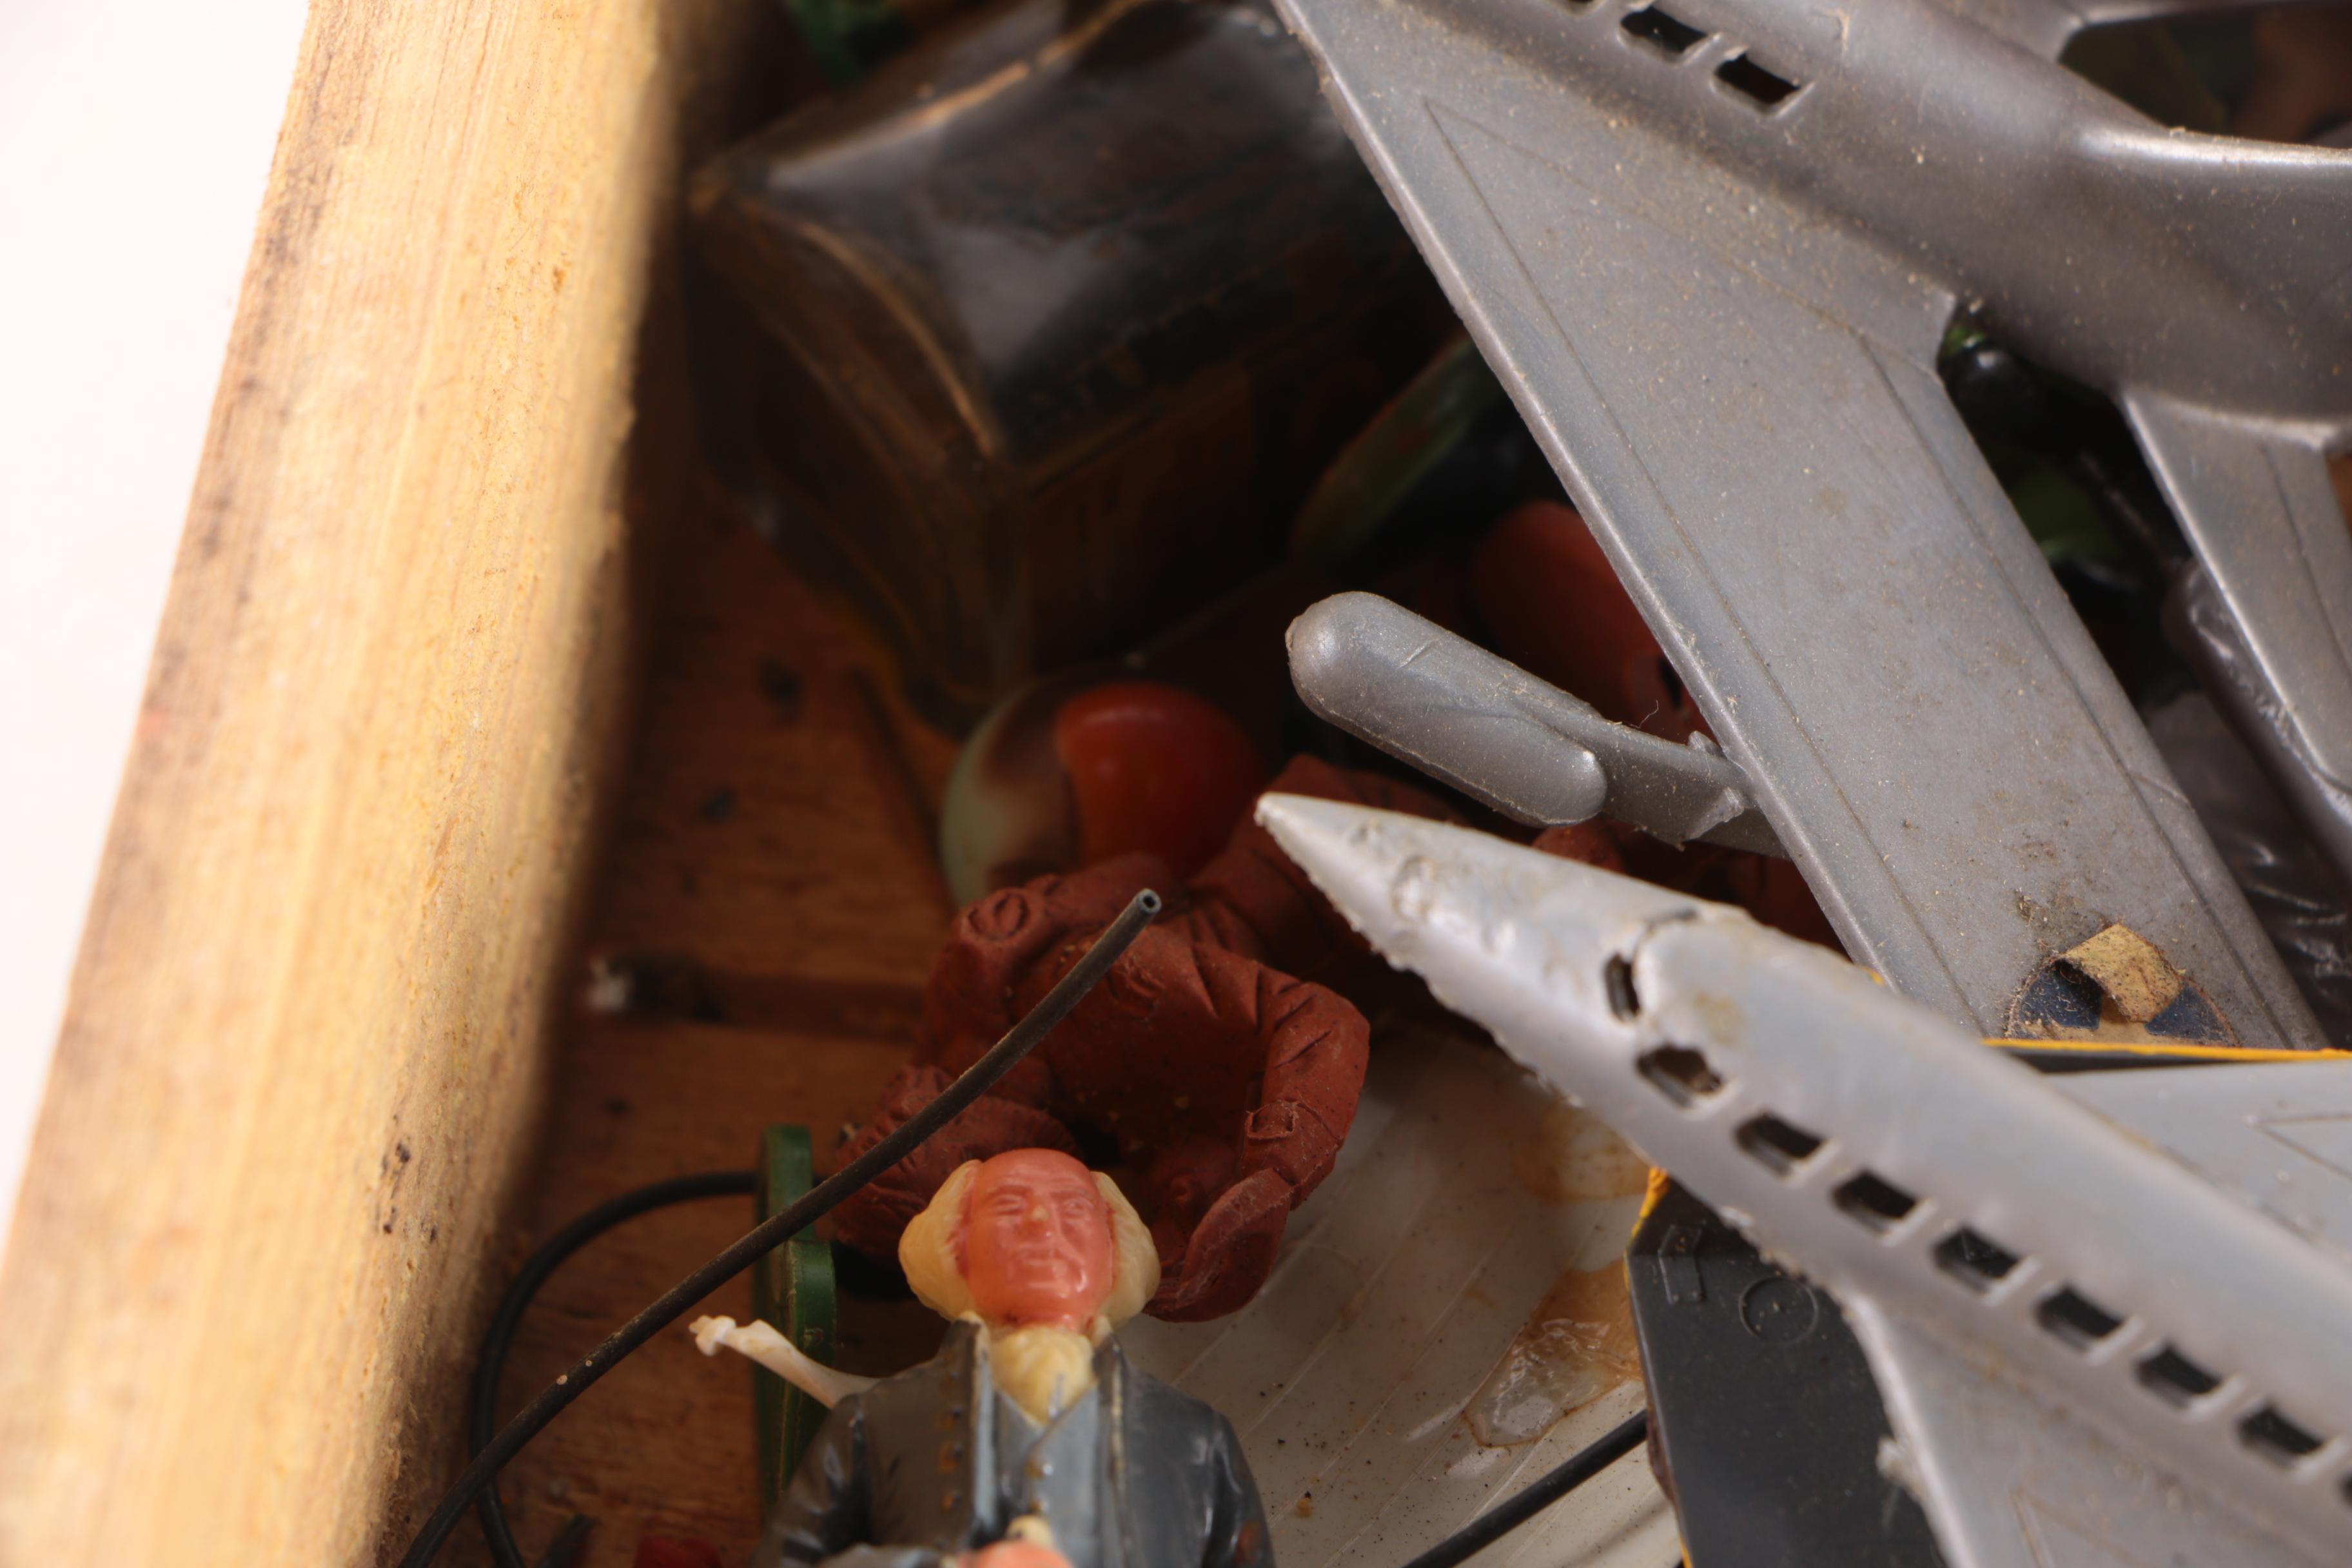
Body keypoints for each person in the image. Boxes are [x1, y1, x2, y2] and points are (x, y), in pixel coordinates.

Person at [754, 1149, 1271, 1568]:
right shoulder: (879, 1422)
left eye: (1074, 1208)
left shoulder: (1197, 1441)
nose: (1043, 1222)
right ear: (954, 1249)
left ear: (1118, 1251)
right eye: (1007, 1206)